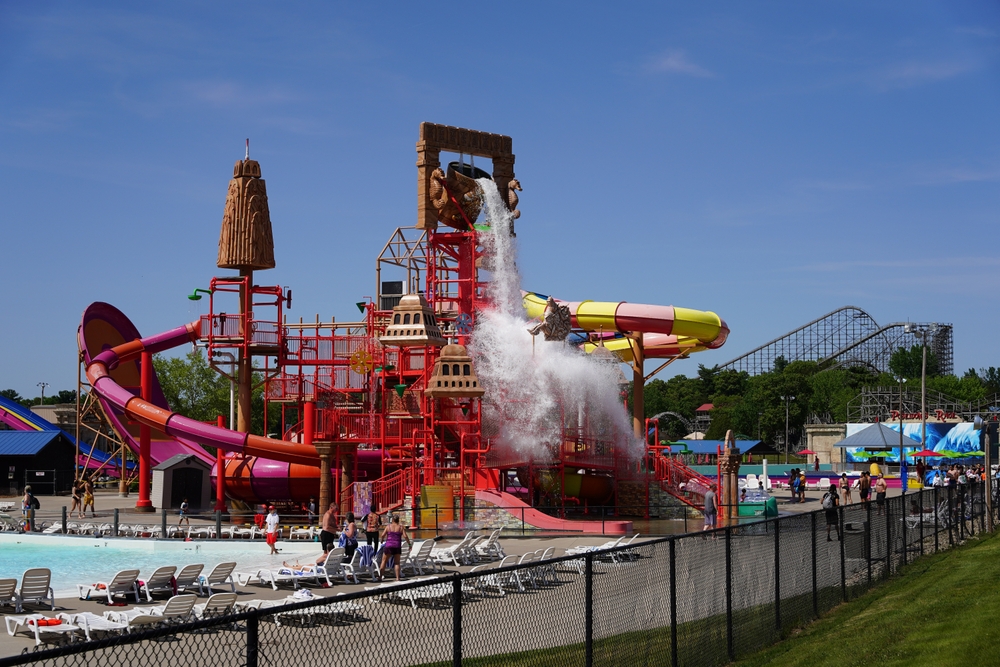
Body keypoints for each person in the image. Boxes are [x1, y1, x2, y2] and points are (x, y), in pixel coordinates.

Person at [379, 514, 412, 581]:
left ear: (392, 520)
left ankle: (380, 577)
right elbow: (405, 536)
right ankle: (397, 578)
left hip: (389, 546)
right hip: (397, 546)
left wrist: (382, 540)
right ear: (398, 520)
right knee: (397, 562)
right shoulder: (401, 527)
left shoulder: (388, 527)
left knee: (384, 561)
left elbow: (382, 535)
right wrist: (409, 544)